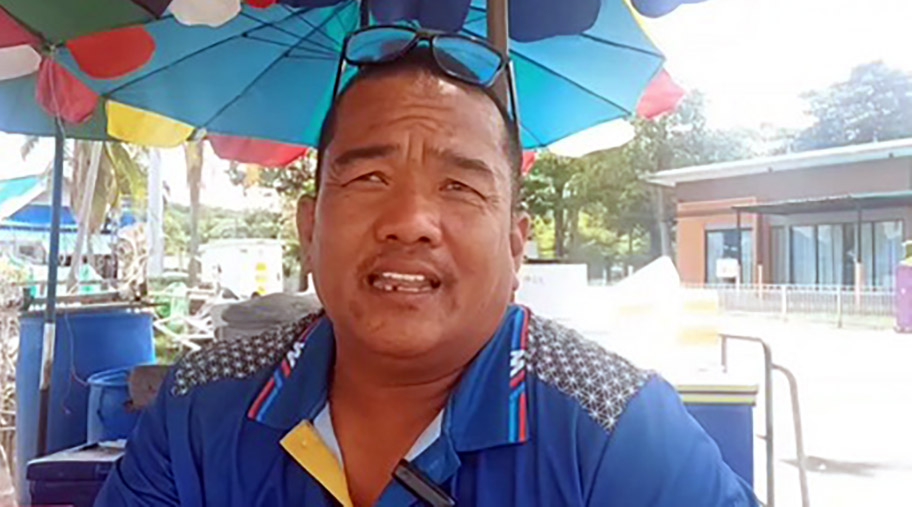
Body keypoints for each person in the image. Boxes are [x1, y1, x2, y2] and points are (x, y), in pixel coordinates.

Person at [96, 26, 757, 506]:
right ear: (309, 227)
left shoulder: (615, 428)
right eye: (369, 178)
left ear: (515, 245)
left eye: (460, 187)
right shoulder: (200, 407)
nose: (410, 218)